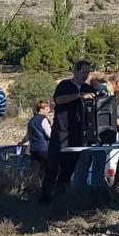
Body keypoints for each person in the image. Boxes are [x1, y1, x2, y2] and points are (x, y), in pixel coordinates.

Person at [39, 60, 96, 204]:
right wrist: (79, 96)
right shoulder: (64, 85)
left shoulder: (88, 88)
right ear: (76, 71)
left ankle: (60, 198)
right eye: (83, 72)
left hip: (78, 134)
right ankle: (44, 200)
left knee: (69, 167)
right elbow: (58, 100)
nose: (86, 75)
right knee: (53, 166)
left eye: (88, 72)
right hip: (61, 132)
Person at [20, 100, 51, 174]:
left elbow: (28, 136)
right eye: (46, 109)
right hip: (44, 149)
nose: (49, 110)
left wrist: (21, 142)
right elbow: (50, 134)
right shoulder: (43, 119)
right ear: (41, 109)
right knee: (48, 171)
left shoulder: (31, 121)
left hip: (33, 149)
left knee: (35, 172)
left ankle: (33, 184)